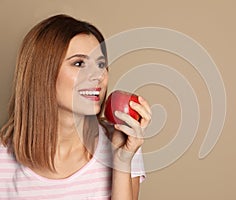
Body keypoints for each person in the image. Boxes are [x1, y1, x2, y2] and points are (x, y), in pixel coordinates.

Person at [0, 14, 151, 200]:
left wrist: (122, 162)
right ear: (42, 74)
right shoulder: (2, 162)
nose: (99, 75)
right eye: (79, 63)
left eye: (101, 64)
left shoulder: (123, 143)